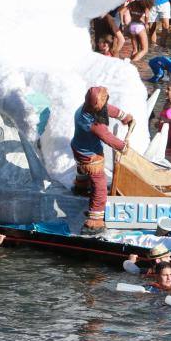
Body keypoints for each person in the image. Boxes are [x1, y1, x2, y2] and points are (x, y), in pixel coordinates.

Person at [70, 87, 134, 233]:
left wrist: (123, 116)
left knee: (82, 170)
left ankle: (80, 186)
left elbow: (106, 108)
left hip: (78, 147)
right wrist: (123, 147)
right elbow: (107, 137)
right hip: (90, 156)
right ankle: (94, 221)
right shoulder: (93, 125)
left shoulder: (84, 108)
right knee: (99, 185)